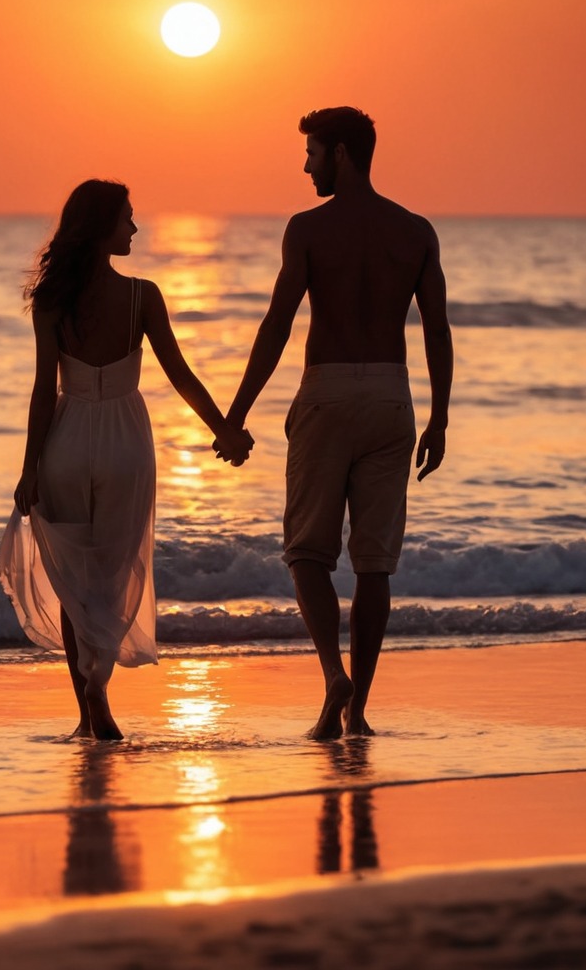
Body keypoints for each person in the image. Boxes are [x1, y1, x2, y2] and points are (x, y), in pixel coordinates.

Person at [218, 108, 453, 739]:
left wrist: (236, 415)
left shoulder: (308, 229)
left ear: (342, 154)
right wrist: (440, 419)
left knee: (307, 552)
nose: (306, 166)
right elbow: (435, 329)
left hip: (326, 393)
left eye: (313, 153)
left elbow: (277, 324)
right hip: (391, 398)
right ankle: (360, 710)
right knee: (374, 564)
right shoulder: (415, 230)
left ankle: (332, 676)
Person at [0, 179, 252, 741]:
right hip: (125, 444)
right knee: (111, 578)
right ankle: (100, 684)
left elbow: (44, 389)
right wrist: (225, 431)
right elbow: (180, 375)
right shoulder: (143, 296)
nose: (135, 228)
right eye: (127, 219)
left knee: (74, 584)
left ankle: (88, 712)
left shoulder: (52, 299)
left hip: (64, 441)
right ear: (101, 227)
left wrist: (29, 468)